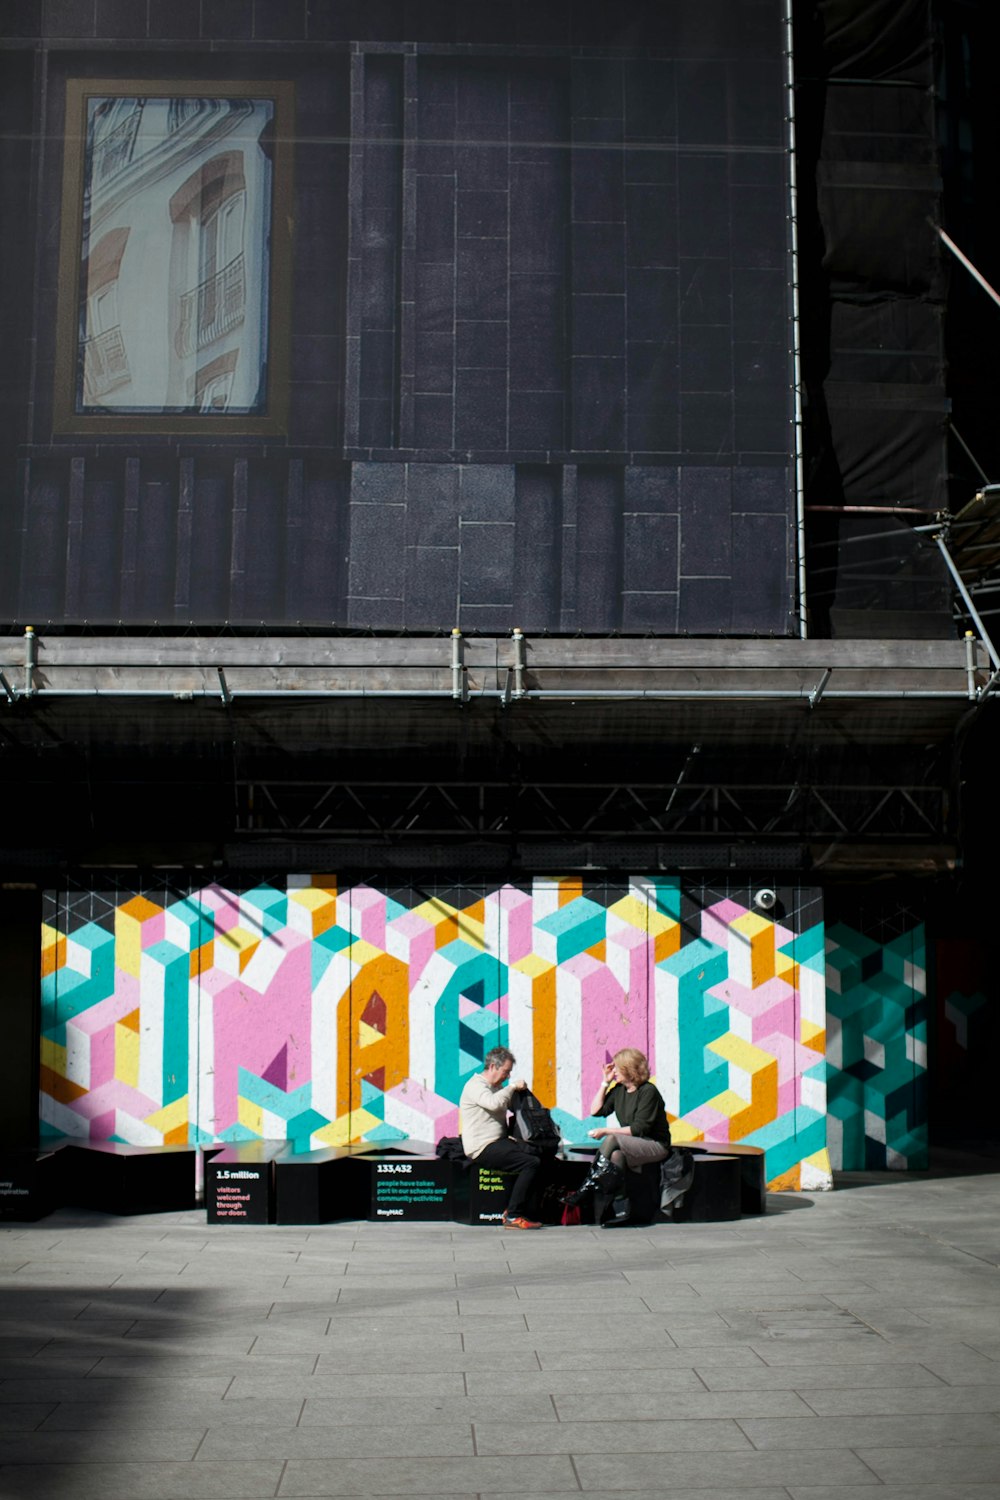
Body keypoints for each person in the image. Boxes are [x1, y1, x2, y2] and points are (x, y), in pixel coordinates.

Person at [565, 1047, 671, 1227]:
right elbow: (596, 1111)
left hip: (655, 1144)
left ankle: (586, 1187)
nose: (613, 1072)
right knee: (616, 1156)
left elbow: (639, 1128)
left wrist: (606, 1131)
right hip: (632, 1143)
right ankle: (621, 1209)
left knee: (611, 1139)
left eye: (617, 1069)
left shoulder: (648, 1091)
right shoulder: (619, 1090)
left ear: (629, 1069)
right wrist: (604, 1083)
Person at [460, 1045, 545, 1229]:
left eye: (509, 1073)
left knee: (539, 1155)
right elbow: (493, 1104)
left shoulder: (496, 1087)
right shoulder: (475, 1086)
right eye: (506, 1071)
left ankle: (528, 1210)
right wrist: (513, 1087)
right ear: (492, 1067)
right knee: (530, 1163)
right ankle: (513, 1215)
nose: (507, 1077)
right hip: (482, 1147)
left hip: (499, 1142)